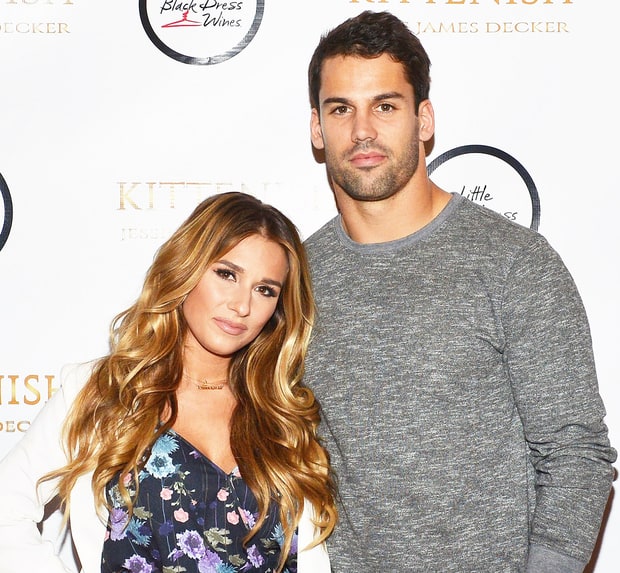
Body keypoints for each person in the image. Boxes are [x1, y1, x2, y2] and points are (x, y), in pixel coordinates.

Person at [303, 10, 616, 573]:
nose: (363, 130)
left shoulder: (513, 262)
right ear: (317, 129)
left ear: (423, 120)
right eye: (341, 108)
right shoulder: (296, 278)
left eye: (385, 106)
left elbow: (576, 453)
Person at [0, 192, 337, 573]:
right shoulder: (106, 392)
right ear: (187, 269)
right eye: (227, 274)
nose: (242, 306)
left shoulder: (282, 413)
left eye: (265, 290)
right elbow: (5, 509)